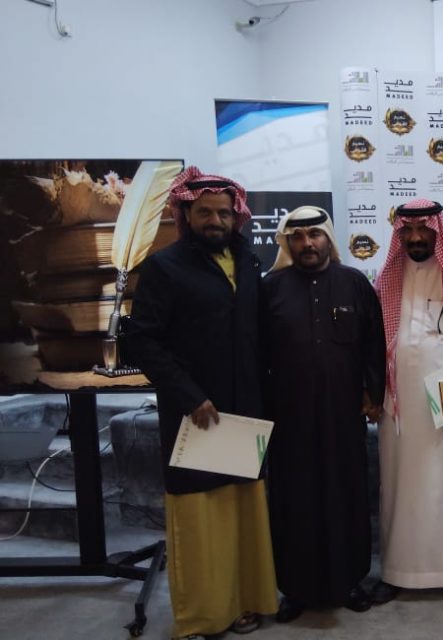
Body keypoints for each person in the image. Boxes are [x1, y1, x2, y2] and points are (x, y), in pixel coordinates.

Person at [125, 166, 277, 639]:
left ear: (237, 216)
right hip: (196, 415)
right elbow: (143, 341)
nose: (215, 221)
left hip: (243, 411)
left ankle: (245, 601)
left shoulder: (249, 263)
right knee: (200, 518)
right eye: (205, 213)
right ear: (186, 215)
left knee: (243, 512)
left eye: (224, 213)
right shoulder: (164, 267)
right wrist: (190, 396)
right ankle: (203, 618)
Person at [261, 206, 386, 621]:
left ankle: (350, 581)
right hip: (289, 417)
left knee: (346, 495)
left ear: (328, 238)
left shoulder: (354, 284)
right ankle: (296, 589)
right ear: (288, 242)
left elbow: (373, 343)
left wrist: (373, 393)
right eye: (297, 237)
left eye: (314, 235)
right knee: (294, 500)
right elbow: (257, 352)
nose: (307, 244)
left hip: (342, 415)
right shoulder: (271, 289)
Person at [371, 198, 443, 604]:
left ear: (438, 231)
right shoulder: (387, 277)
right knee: (399, 485)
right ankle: (397, 571)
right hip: (398, 403)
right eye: (408, 231)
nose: (416, 237)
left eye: (424, 230)